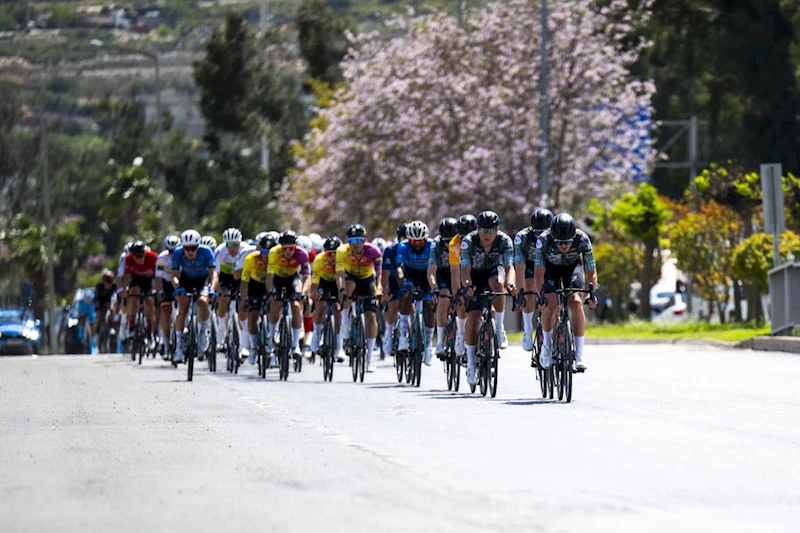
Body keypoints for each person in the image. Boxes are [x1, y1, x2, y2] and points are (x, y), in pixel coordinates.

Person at [534, 213, 598, 371]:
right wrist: (541, 296)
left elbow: (591, 271)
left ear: (574, 235)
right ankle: (547, 347)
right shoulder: (543, 240)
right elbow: (538, 273)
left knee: (576, 302)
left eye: (567, 242)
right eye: (559, 242)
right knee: (551, 304)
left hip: (572, 268)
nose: (563, 246)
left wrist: (591, 293)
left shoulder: (582, 239)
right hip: (550, 269)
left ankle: (579, 354)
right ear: (553, 236)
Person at [460, 211, 516, 385]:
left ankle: (499, 329)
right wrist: (468, 286)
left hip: (493, 271)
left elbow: (509, 268)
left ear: (497, 230)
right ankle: (470, 363)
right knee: (474, 318)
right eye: (484, 231)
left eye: (491, 231)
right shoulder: (468, 241)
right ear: (477, 229)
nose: (487, 235)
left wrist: (511, 284)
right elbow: (465, 270)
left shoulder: (505, 241)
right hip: (474, 275)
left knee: (499, 286)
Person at [336, 223, 383, 372]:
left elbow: (380, 273)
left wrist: (379, 287)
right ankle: (345, 323)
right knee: (347, 287)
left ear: (364, 241)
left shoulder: (373, 251)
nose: (355, 245)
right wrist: (341, 289)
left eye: (358, 241)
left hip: (367, 279)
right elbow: (339, 275)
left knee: (371, 316)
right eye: (351, 241)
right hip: (350, 278)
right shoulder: (342, 251)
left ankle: (370, 357)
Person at [168, 229, 218, 363]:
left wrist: (211, 289)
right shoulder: (178, 253)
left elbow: (213, 274)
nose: (190, 252)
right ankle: (178, 348)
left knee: (202, 301)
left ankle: (203, 333)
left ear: (198, 246)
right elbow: (174, 276)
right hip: (186, 280)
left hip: (202, 280)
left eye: (193, 248)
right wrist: (178, 288)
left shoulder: (206, 251)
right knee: (183, 307)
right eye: (187, 248)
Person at [395, 220, 436, 365]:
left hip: (427, 275)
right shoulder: (403, 246)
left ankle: (429, 344)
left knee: (429, 305)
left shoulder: (432, 245)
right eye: (413, 240)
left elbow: (436, 268)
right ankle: (403, 337)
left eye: (421, 240)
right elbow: (399, 268)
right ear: (408, 239)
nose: (418, 243)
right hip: (410, 275)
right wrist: (403, 287)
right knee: (407, 296)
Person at [266, 230, 311, 359]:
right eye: (284, 249)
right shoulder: (274, 253)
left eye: (291, 248)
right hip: (277, 279)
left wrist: (303, 292)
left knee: (296, 306)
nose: (287, 252)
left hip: (293, 278)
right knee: (276, 303)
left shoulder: (302, 254)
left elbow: (307, 277)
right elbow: (269, 277)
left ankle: (296, 344)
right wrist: (270, 292)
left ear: (295, 247)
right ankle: (272, 334)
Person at [514, 208, 554, 353]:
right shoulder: (522, 237)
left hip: (549, 264)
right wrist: (520, 293)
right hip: (529, 265)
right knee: (529, 287)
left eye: (543, 233)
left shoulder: (557, 236)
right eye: (537, 233)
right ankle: (527, 329)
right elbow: (519, 269)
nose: (540, 237)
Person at [213, 228, 254, 351]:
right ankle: (221, 330)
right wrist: (218, 289)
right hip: (225, 277)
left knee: (243, 303)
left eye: (235, 244)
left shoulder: (246, 250)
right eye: (229, 244)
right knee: (223, 299)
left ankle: (244, 337)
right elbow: (216, 274)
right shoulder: (220, 251)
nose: (232, 248)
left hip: (240, 277)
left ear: (239, 243)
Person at [240, 233, 276, 365]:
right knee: (253, 315)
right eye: (263, 251)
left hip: (272, 284)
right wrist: (244, 299)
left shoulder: (277, 258)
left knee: (275, 311)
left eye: (269, 251)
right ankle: (254, 347)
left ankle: (273, 346)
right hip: (255, 286)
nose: (266, 255)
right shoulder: (251, 259)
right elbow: (244, 282)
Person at [308, 236, 344, 363]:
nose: (333, 257)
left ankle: (339, 347)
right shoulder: (319, 260)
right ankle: (316, 334)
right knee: (321, 306)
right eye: (330, 254)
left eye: (336, 254)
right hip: (323, 283)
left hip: (337, 283)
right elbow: (314, 282)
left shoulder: (344, 259)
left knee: (338, 310)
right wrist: (314, 292)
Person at [428, 217, 458, 359]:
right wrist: (434, 287)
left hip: (458, 272)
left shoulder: (461, 243)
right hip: (442, 274)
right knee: (443, 299)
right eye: (446, 241)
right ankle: (440, 341)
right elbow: (431, 270)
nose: (448, 244)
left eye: (451, 240)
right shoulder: (436, 245)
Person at [448, 214, 477, 357]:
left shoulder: (480, 239)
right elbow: (455, 272)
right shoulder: (454, 244)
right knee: (462, 303)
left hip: (478, 270)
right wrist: (457, 294)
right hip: (462, 271)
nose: (466, 239)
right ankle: (460, 333)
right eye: (462, 236)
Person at [123, 240, 159, 351]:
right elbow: (127, 277)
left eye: (141, 256)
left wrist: (157, 290)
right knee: (134, 293)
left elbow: (158, 277)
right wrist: (126, 289)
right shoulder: (129, 259)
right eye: (136, 256)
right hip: (136, 279)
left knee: (149, 300)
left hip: (149, 281)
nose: (138, 259)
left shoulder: (153, 258)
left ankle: (149, 331)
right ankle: (132, 326)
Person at [380, 223, 407, 356]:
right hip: (392, 280)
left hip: (410, 279)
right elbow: (384, 273)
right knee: (394, 305)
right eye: (403, 238)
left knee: (411, 307)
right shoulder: (390, 250)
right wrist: (385, 290)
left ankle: (412, 331)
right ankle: (388, 333)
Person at [156, 235, 180, 355]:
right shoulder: (161, 258)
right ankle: (165, 343)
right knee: (165, 313)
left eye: (174, 250)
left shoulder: (183, 256)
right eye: (170, 251)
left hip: (179, 283)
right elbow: (158, 277)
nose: (172, 253)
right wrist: (160, 291)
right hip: (166, 284)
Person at [93, 269, 117, 351]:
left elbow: (116, 297)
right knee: (98, 316)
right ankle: (96, 335)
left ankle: (111, 325)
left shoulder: (114, 286)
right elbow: (96, 298)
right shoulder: (99, 287)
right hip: (100, 303)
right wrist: (98, 306)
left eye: (109, 281)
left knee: (112, 309)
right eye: (106, 281)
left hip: (109, 302)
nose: (108, 284)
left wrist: (113, 305)